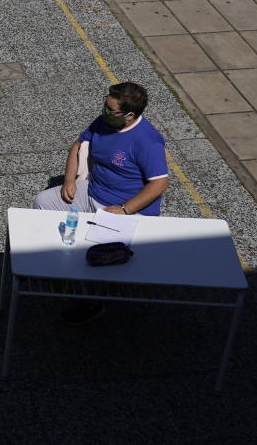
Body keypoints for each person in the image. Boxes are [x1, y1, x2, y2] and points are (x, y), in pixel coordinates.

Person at [32, 82, 169, 324]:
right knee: (43, 201)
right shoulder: (104, 122)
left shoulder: (148, 142)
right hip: (93, 191)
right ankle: (49, 263)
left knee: (94, 257)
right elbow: (77, 147)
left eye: (111, 109)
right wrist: (69, 180)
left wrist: (125, 209)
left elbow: (158, 184)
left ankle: (91, 304)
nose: (105, 112)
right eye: (106, 105)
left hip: (125, 209)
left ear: (129, 115)